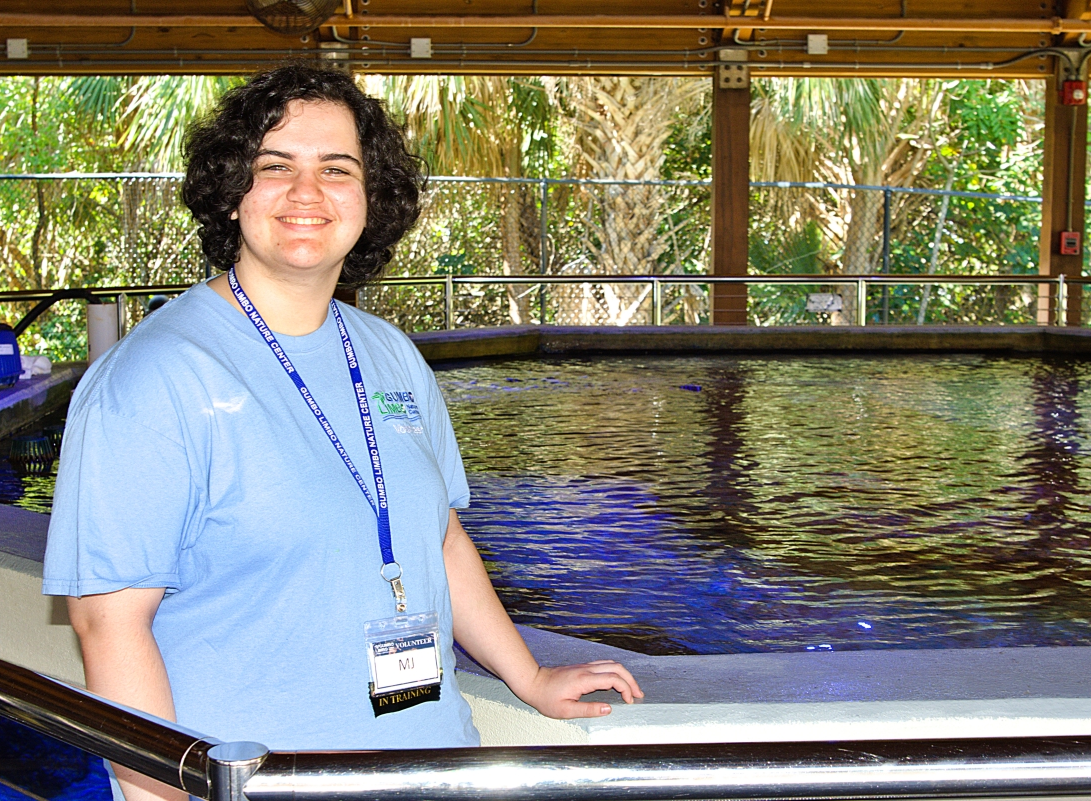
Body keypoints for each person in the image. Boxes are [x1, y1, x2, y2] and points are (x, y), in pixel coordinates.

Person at [42, 63, 642, 801]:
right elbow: (107, 627)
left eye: (336, 168)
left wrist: (529, 672)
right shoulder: (155, 377)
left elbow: (440, 537)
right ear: (232, 194)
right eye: (275, 166)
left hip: (431, 768)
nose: (306, 193)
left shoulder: (389, 353)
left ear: (369, 196)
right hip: (263, 783)